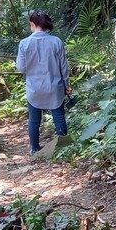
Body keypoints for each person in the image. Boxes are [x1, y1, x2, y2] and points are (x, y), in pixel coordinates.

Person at [16, 10, 71, 156]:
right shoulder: (56, 42)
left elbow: (21, 68)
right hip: (55, 87)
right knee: (59, 117)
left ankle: (34, 149)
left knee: (34, 120)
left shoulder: (24, 44)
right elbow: (64, 68)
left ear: (32, 24)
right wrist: (67, 85)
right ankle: (63, 148)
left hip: (34, 89)